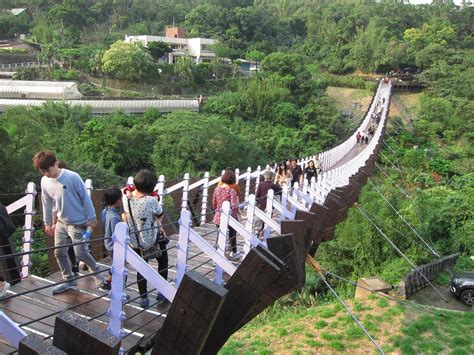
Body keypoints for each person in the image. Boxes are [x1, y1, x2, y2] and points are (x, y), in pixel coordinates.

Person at [33, 150, 105, 294]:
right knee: (59, 252)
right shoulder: (45, 180)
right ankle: (69, 280)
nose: (46, 174)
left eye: (48, 170)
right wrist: (47, 222)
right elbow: (46, 202)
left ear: (55, 163)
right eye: (42, 171)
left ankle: (98, 275)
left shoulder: (72, 177)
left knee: (80, 253)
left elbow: (85, 197)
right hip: (61, 222)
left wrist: (92, 218)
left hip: (77, 223)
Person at [122, 169, 166, 308]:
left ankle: (143, 298)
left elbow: (124, 190)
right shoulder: (151, 200)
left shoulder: (126, 198)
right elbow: (160, 215)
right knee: (163, 262)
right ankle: (162, 291)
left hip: (135, 241)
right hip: (152, 240)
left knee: (142, 269)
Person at [212, 169, 239, 258]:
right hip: (229, 218)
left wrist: (217, 211)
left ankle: (217, 254)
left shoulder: (216, 189)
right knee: (232, 234)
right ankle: (233, 252)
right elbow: (234, 206)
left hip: (218, 216)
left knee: (220, 235)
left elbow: (214, 203)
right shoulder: (232, 191)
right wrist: (236, 215)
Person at [100, 187, 122, 291]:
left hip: (107, 243)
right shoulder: (115, 217)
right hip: (114, 246)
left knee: (115, 264)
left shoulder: (105, 211)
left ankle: (108, 282)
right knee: (118, 266)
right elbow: (117, 234)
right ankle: (115, 289)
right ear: (118, 200)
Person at [254, 171, 282, 238]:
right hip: (269, 207)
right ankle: (264, 235)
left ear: (264, 177)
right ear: (272, 178)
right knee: (267, 221)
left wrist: (257, 203)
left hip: (261, 206)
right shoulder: (273, 185)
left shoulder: (260, 184)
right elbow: (281, 191)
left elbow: (257, 196)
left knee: (258, 221)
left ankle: (257, 234)